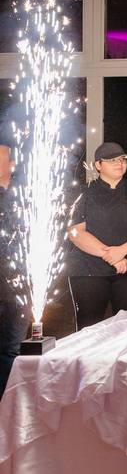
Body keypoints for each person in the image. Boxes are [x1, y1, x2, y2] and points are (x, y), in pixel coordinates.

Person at [66, 142, 127, 330]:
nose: (119, 163)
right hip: (88, 270)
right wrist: (112, 257)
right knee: (88, 328)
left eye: (122, 159)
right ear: (98, 165)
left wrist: (122, 251)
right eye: (112, 160)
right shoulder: (82, 193)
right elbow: (76, 233)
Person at [0, 144, 25, 399]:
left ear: (12, 164)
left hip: (19, 287)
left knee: (14, 349)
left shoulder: (24, 196)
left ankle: (8, 402)